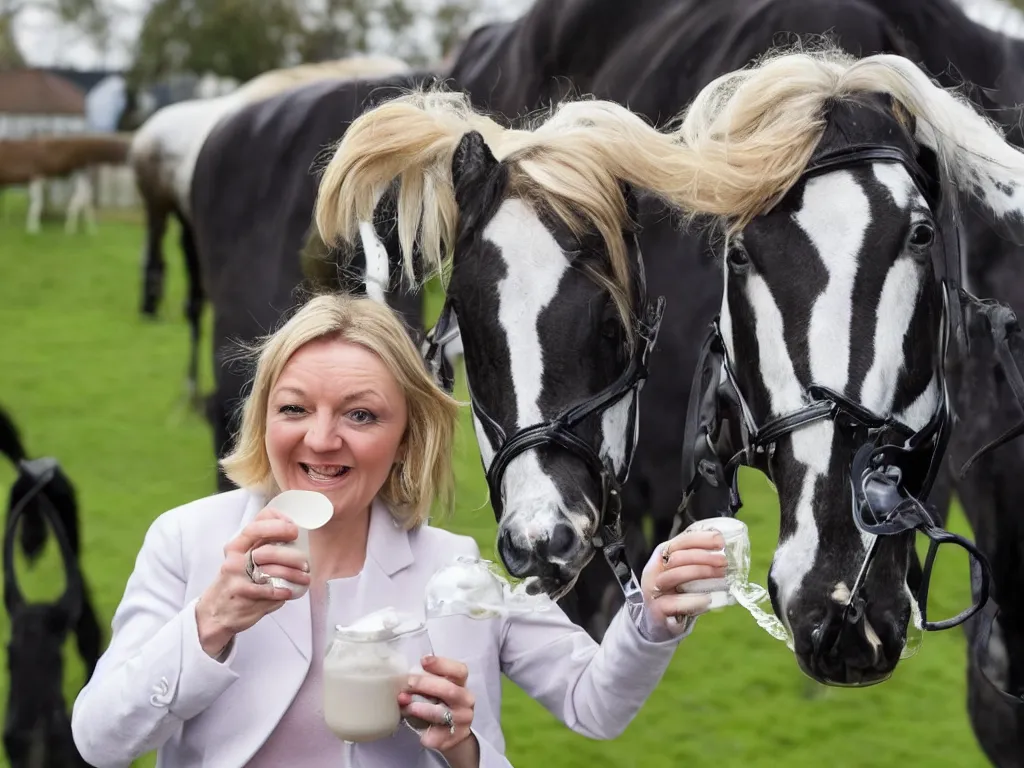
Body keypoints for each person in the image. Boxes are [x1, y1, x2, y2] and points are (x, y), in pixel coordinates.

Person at [71, 293, 729, 768]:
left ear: (405, 437)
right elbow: (100, 741)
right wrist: (209, 621)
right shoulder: (188, 541)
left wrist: (651, 614)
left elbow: (595, 703)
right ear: (263, 415)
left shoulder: (454, 570)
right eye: (294, 408)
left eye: (360, 416)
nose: (321, 440)